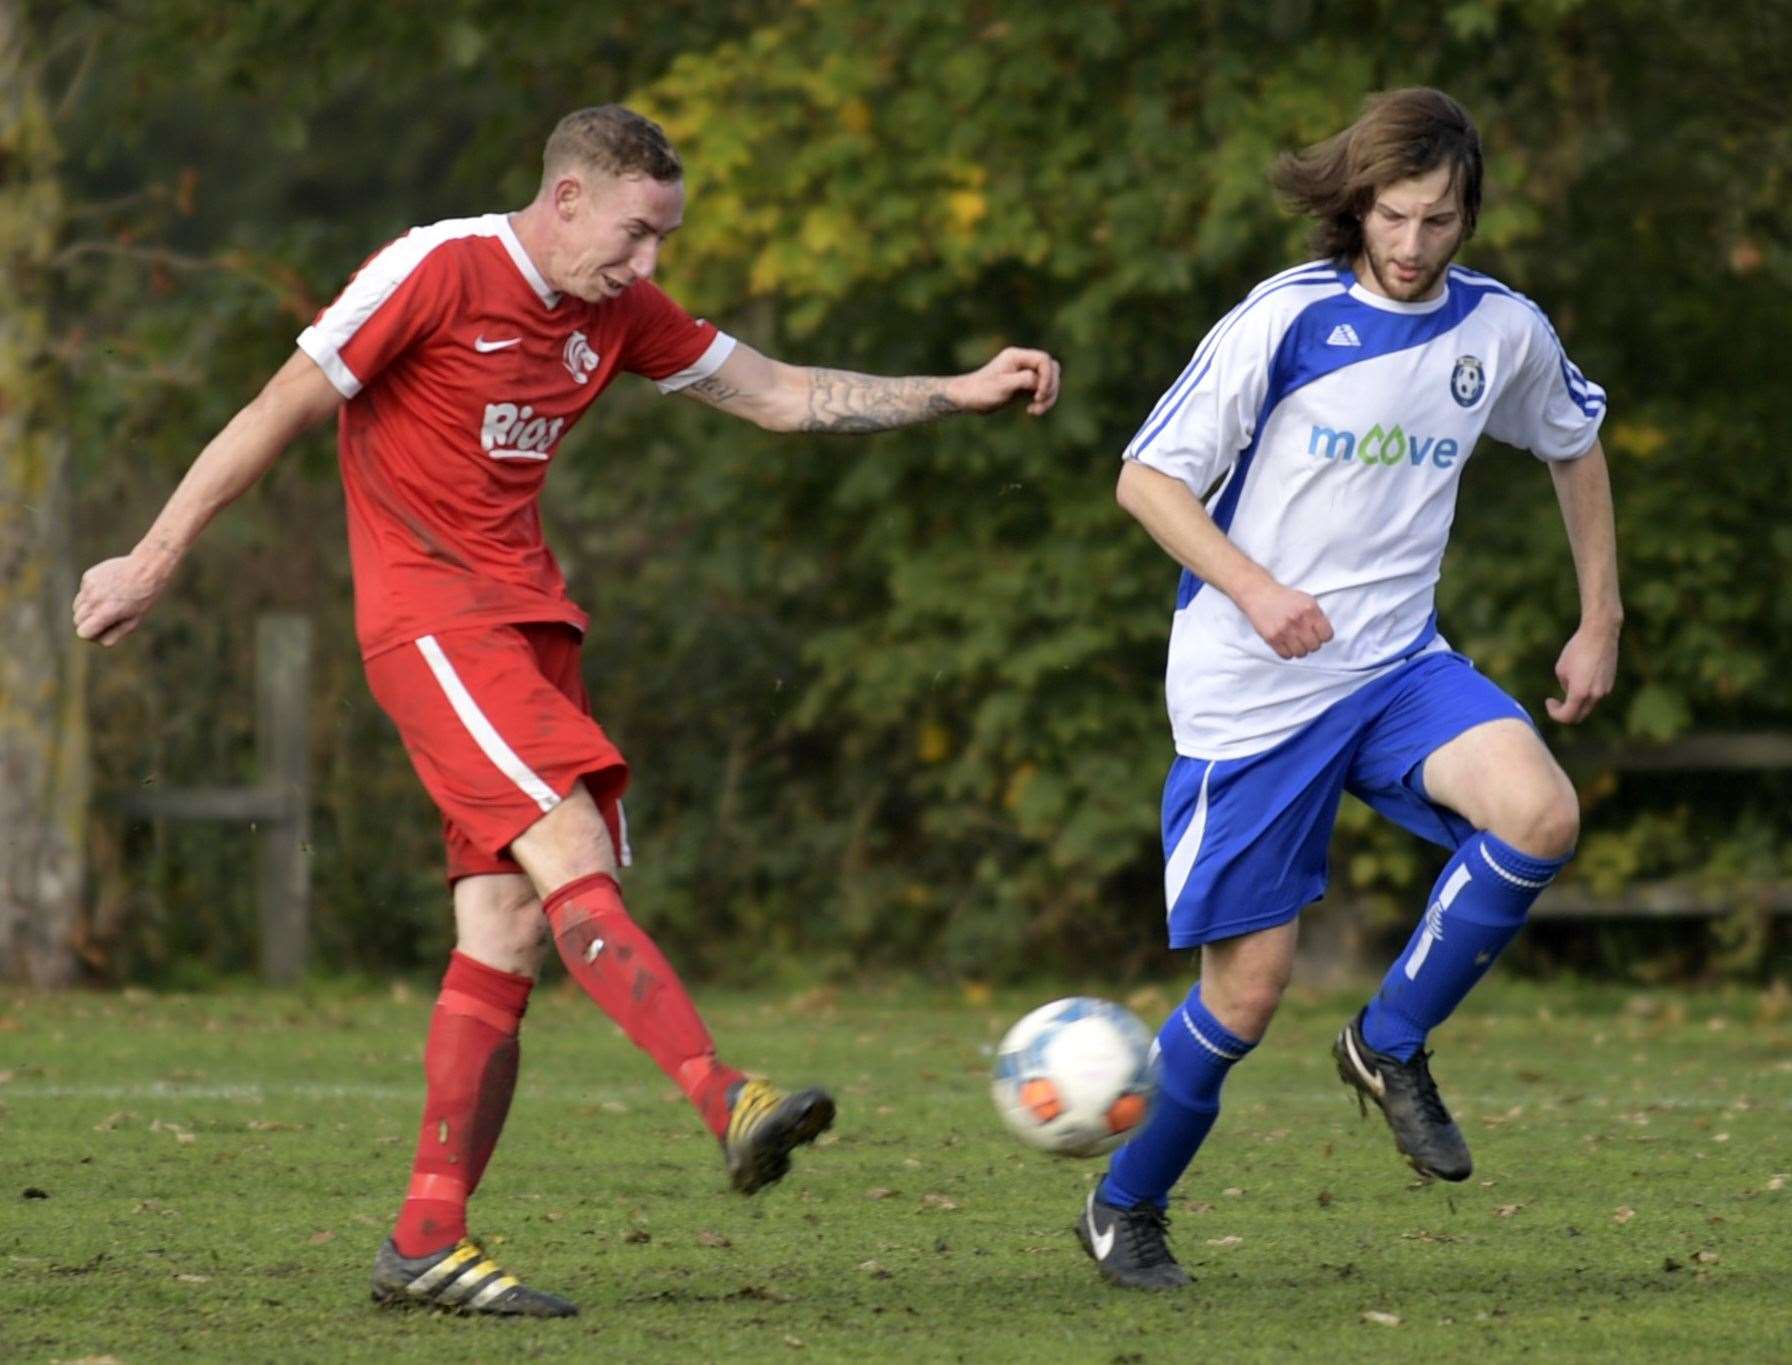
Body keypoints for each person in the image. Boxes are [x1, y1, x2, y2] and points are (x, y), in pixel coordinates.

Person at [73, 104, 1061, 1317]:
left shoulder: (616, 314)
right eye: (638, 236)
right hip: (432, 622)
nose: (649, 269)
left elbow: (777, 395)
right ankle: (723, 1094)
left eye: (665, 244)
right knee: (570, 852)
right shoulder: (439, 267)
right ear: (571, 197)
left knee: (505, 931)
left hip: (531, 627)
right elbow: (284, 402)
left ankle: (426, 1240)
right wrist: (153, 558)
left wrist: (956, 393)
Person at [1077, 88, 1618, 1290]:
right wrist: (1258, 591)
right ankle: (1125, 1206)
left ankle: (1389, 1042)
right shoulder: (1284, 318)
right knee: (1248, 991)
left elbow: (1573, 441)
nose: (1412, 243)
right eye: (1392, 214)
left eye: (1437, 219)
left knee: (1540, 812)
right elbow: (1146, 483)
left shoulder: (1502, 332)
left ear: (1467, 215)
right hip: (1252, 690)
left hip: (1394, 664)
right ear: (1356, 204)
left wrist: (1600, 617)